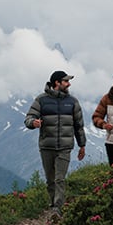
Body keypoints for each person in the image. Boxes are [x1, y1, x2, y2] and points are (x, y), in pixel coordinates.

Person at [24, 70, 86, 215]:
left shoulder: (72, 102)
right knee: (50, 179)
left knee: (60, 178)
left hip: (65, 147)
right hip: (46, 146)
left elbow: (79, 125)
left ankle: (58, 209)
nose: (69, 84)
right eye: (66, 81)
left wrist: (82, 145)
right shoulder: (41, 100)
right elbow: (28, 118)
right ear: (57, 83)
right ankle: (53, 204)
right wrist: (33, 122)